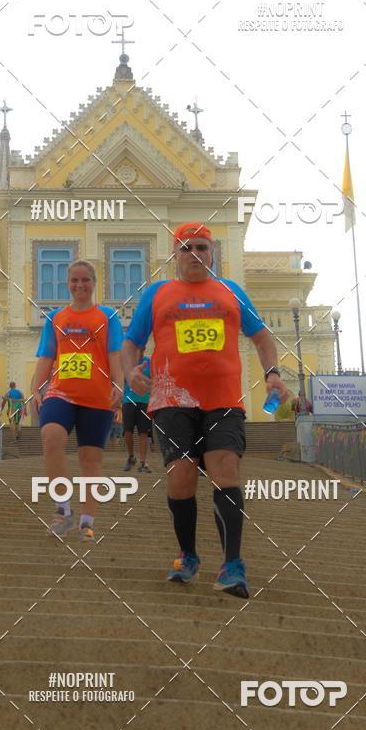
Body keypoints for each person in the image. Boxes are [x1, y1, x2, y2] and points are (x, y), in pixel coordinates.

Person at [122, 222, 291, 598]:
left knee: (225, 472)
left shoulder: (230, 291)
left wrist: (272, 374)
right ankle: (188, 555)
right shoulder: (157, 294)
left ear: (212, 253)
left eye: (201, 247)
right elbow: (132, 343)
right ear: (175, 254)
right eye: (186, 247)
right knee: (181, 477)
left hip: (224, 401)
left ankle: (232, 565)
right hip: (172, 403)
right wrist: (131, 370)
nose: (194, 254)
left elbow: (262, 338)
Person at [31, 260, 123, 540]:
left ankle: (86, 522)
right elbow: (47, 356)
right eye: (74, 280)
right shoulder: (56, 318)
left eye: (85, 280)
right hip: (61, 391)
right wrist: (36, 388)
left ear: (94, 283)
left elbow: (114, 355)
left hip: (97, 396)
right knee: (51, 436)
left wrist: (119, 386)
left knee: (90, 459)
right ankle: (62, 509)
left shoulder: (108, 316)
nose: (80, 285)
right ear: (68, 283)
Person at [122, 353, 152, 473]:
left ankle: (143, 463)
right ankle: (131, 457)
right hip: (128, 400)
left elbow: (154, 379)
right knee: (127, 431)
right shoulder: (126, 361)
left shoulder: (149, 362)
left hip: (145, 401)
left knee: (143, 432)